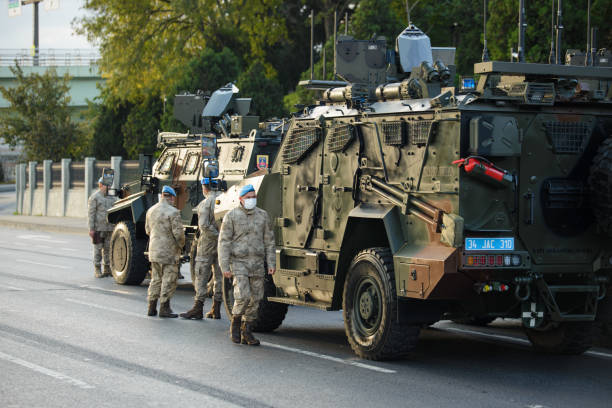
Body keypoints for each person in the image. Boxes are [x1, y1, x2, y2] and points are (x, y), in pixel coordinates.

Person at [218, 184, 275, 345]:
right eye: (248, 197)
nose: (251, 200)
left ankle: (247, 329)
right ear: (241, 199)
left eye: (253, 197)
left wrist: (271, 263)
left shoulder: (263, 216)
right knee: (243, 295)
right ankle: (235, 323)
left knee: (256, 298)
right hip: (239, 262)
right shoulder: (232, 216)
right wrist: (225, 266)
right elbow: (224, 242)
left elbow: (269, 241)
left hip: (257, 263)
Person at [180, 177, 223, 320]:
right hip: (222, 245)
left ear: (205, 188)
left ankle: (198, 308)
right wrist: (223, 238)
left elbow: (204, 226)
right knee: (219, 276)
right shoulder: (224, 200)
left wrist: (217, 236)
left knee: (201, 274)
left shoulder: (205, 203)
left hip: (207, 244)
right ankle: (216, 308)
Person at [145, 185, 185, 318]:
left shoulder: (150, 210)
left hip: (154, 251)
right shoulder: (173, 212)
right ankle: (164, 308)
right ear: (172, 197)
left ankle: (151, 307)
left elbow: (147, 230)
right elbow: (178, 234)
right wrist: (181, 246)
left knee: (155, 279)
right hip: (169, 252)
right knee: (169, 279)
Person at [87, 176, 117, 278]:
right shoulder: (95, 197)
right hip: (98, 228)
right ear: (100, 185)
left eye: (109, 185)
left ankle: (107, 269)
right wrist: (91, 229)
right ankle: (97, 269)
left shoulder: (112, 198)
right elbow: (91, 214)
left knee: (108, 249)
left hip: (109, 228)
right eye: (105, 185)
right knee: (98, 249)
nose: (107, 187)